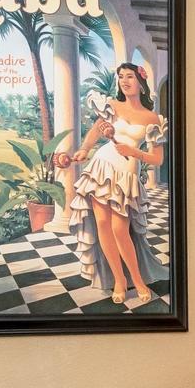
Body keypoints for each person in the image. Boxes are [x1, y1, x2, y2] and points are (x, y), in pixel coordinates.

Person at [64, 63, 166, 306]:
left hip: (126, 176)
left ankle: (138, 281)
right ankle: (119, 280)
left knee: (120, 229)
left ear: (141, 82)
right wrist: (84, 149)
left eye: (130, 76)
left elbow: (158, 159)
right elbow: (95, 132)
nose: (124, 81)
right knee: (102, 224)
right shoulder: (112, 105)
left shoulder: (152, 118)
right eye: (121, 77)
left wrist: (134, 152)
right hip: (102, 167)